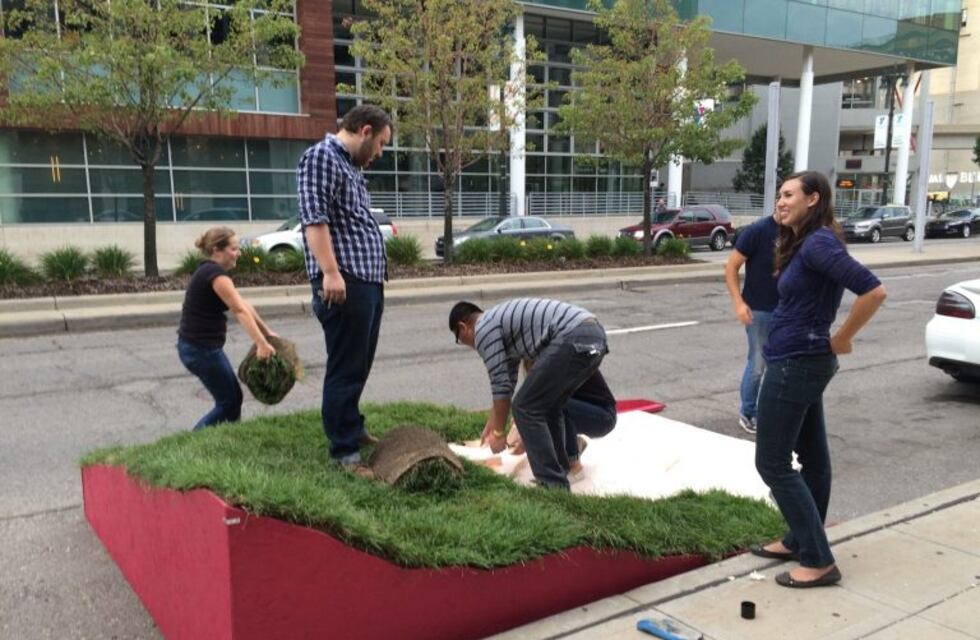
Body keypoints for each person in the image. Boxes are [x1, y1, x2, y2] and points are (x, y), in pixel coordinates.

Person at [751, 171, 886, 588]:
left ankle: (817, 559)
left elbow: (873, 291)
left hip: (797, 363)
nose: (780, 201)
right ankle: (800, 540)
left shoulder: (819, 242)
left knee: (771, 462)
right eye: (779, 195)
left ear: (813, 199)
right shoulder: (807, 242)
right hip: (799, 360)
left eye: (789, 194)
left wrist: (842, 338)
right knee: (813, 458)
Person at [297, 104, 392, 476]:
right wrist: (331, 272)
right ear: (365, 131)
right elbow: (314, 220)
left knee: (359, 364)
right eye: (381, 144)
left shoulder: (350, 166)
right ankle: (344, 452)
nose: (380, 153)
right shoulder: (322, 157)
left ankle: (351, 427)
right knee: (345, 367)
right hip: (345, 281)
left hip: (365, 280)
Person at [449, 298, 610, 490]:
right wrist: (493, 421)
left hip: (574, 335)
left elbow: (500, 384)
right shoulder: (500, 325)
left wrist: (499, 433)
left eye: (459, 339)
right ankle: (561, 474)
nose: (466, 344)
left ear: (463, 327)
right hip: (594, 336)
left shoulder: (483, 329)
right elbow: (506, 382)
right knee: (550, 406)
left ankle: (551, 483)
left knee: (525, 407)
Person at [177, 227, 276, 430]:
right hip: (199, 350)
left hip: (200, 348)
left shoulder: (211, 271)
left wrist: (267, 333)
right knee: (229, 401)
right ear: (216, 250)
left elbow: (244, 305)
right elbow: (239, 311)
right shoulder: (214, 274)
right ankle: (194, 439)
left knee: (232, 399)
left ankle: (229, 436)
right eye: (234, 248)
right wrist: (261, 343)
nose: (238, 253)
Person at [507, 360, 617, 480]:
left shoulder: (559, 358)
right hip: (585, 409)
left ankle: (574, 466)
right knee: (543, 406)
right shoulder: (542, 359)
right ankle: (574, 444)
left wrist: (525, 436)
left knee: (551, 404)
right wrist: (520, 425)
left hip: (603, 416)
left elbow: (544, 403)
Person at [724, 210, 780, 434]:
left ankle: (775, 411)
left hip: (787, 311)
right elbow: (731, 267)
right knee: (758, 365)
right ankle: (748, 412)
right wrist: (739, 303)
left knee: (782, 365)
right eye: (782, 197)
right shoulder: (757, 231)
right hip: (759, 310)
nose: (784, 204)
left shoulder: (798, 231)